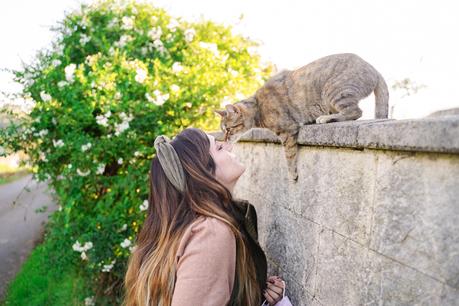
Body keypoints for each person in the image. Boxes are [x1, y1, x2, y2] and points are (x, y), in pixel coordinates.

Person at [123, 127, 286, 305]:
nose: (229, 146)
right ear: (204, 172)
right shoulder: (210, 233)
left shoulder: (192, 230)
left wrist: (258, 295)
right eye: (219, 148)